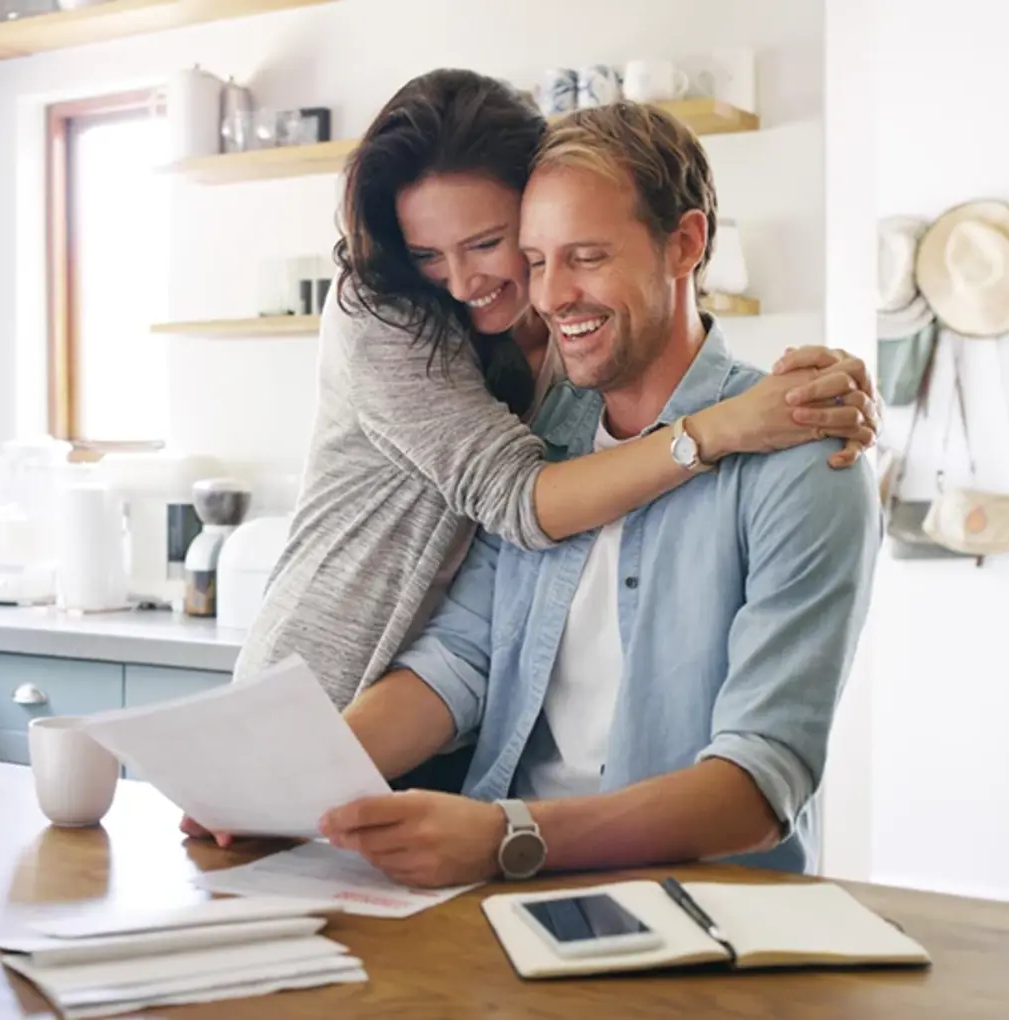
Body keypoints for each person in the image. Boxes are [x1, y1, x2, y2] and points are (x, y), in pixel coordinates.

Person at [307, 100, 883, 888]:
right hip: (506, 885)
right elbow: (461, 660)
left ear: (685, 244)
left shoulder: (804, 458)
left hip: (702, 906)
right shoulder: (545, 441)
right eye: (537, 261)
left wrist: (508, 835)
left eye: (586, 256)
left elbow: (760, 780)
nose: (551, 296)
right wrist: (290, 781)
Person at [230, 69, 882, 716]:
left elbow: (661, 331)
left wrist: (822, 386)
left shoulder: (566, 337)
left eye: (488, 243)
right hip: (323, 688)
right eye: (428, 253)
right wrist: (720, 428)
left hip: (455, 717)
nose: (458, 282)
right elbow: (518, 499)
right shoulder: (383, 318)